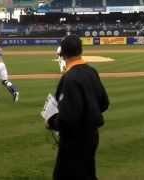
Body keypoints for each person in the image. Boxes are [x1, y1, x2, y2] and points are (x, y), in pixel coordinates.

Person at [43, 35, 110, 180]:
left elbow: (68, 119)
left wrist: (51, 122)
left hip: (74, 141)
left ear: (63, 54)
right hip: (92, 136)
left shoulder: (70, 78)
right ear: (81, 51)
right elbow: (104, 103)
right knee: (88, 173)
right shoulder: (91, 72)